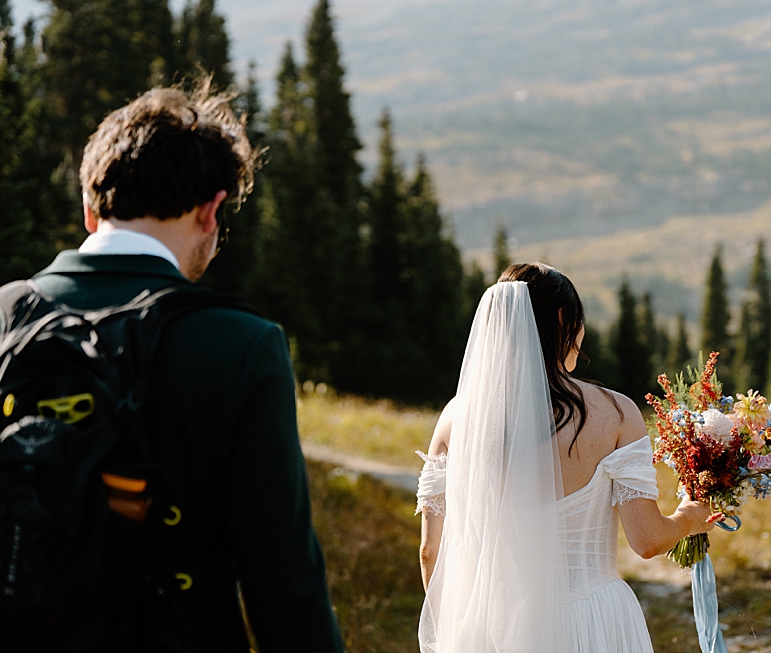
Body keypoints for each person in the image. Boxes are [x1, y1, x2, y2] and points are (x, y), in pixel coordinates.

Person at [24, 85, 345, 651]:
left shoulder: (7, 317)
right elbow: (283, 583)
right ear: (210, 211)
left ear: (90, 207)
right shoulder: (242, 345)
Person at [415, 262, 723, 652]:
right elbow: (646, 541)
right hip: (589, 621)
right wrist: (692, 516)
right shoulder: (615, 412)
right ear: (564, 320)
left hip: (492, 623)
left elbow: (431, 552)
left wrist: (455, 630)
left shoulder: (457, 418)